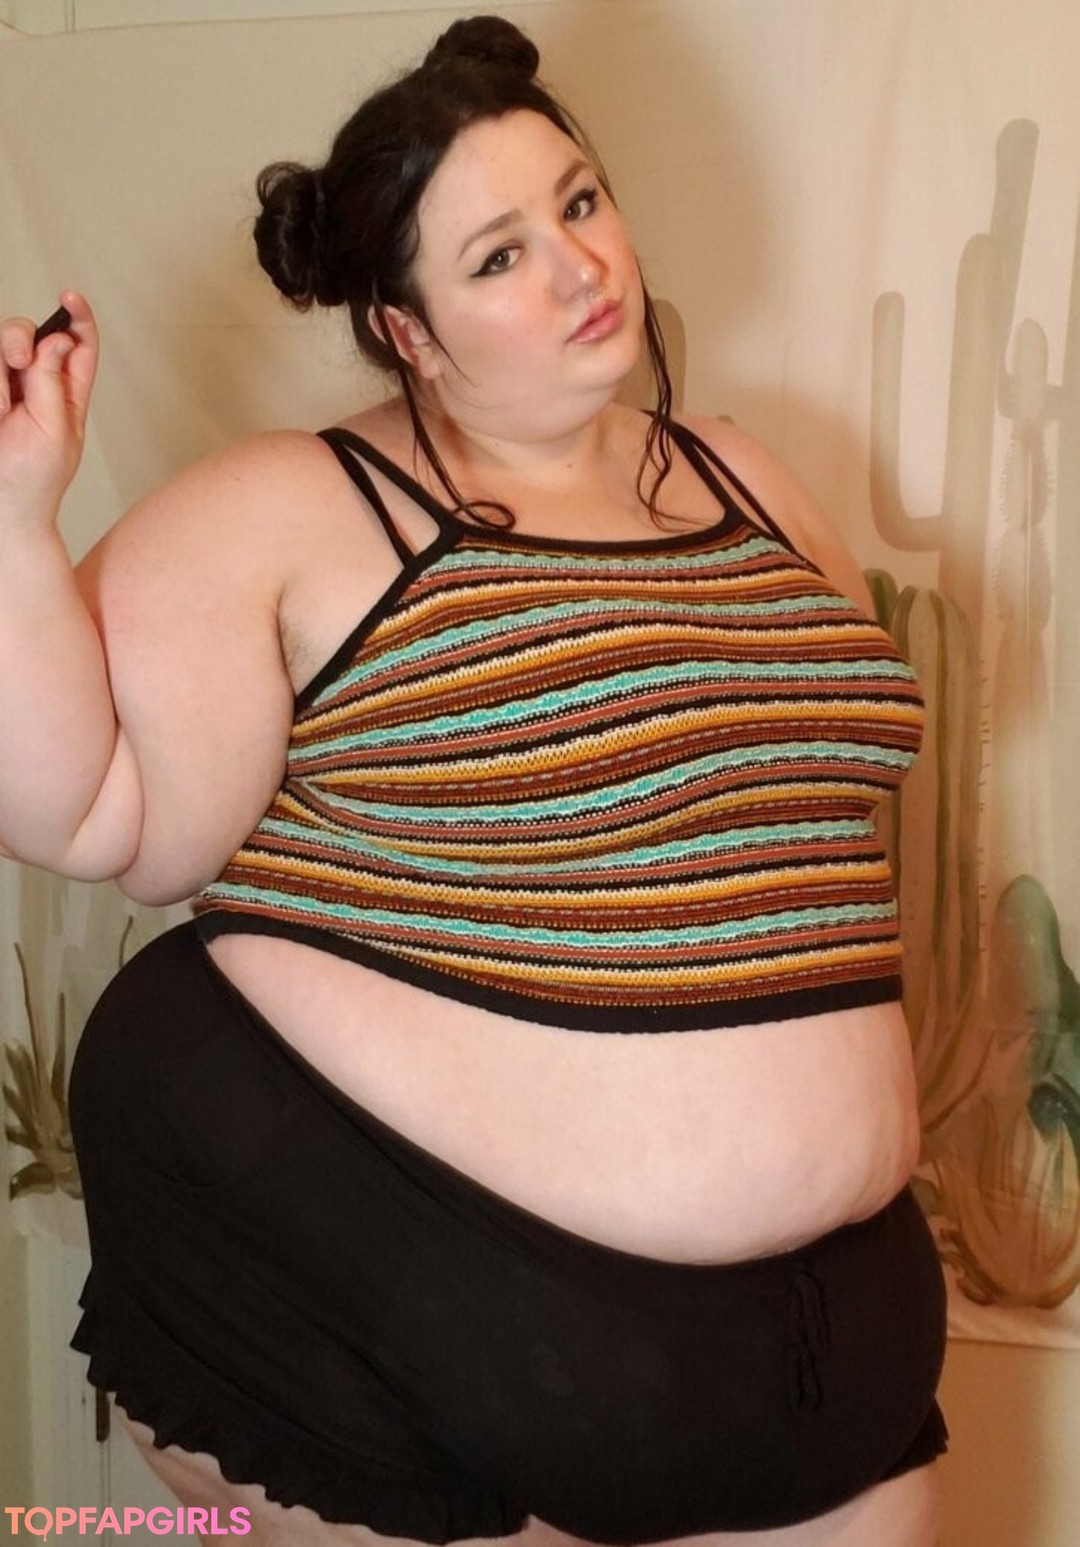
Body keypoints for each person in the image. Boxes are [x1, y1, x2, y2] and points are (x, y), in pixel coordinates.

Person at [0, 16, 947, 1547]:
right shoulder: (302, 507)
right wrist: (11, 519)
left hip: (854, 1334)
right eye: (500, 256)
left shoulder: (747, 475)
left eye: (580, 203)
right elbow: (86, 811)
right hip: (503, 1324)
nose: (579, 268)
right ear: (409, 329)